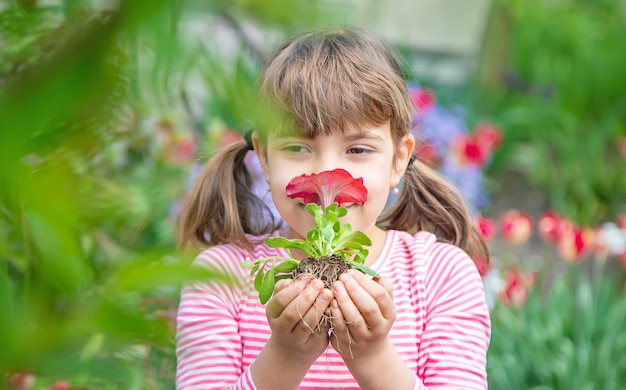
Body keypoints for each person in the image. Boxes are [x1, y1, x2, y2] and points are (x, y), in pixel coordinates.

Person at [175, 28, 490, 390]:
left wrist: (371, 356)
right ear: (263, 157)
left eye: (358, 149)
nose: (326, 172)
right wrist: (285, 356)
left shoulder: (440, 276)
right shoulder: (221, 278)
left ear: (398, 160)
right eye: (297, 147)